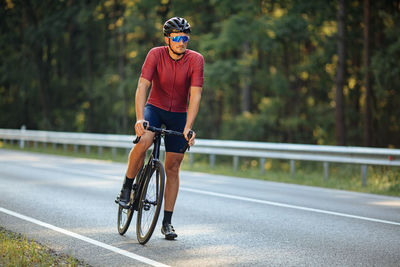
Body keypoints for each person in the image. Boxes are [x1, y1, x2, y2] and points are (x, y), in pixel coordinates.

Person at [118, 17, 204, 240]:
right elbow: (142, 86)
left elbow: (195, 95)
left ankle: (167, 222)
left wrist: (188, 127)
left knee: (173, 167)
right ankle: (127, 186)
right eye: (176, 38)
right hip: (154, 108)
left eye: (185, 38)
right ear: (168, 39)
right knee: (144, 141)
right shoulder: (155, 54)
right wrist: (139, 118)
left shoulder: (196, 60)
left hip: (178, 114)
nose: (181, 42)